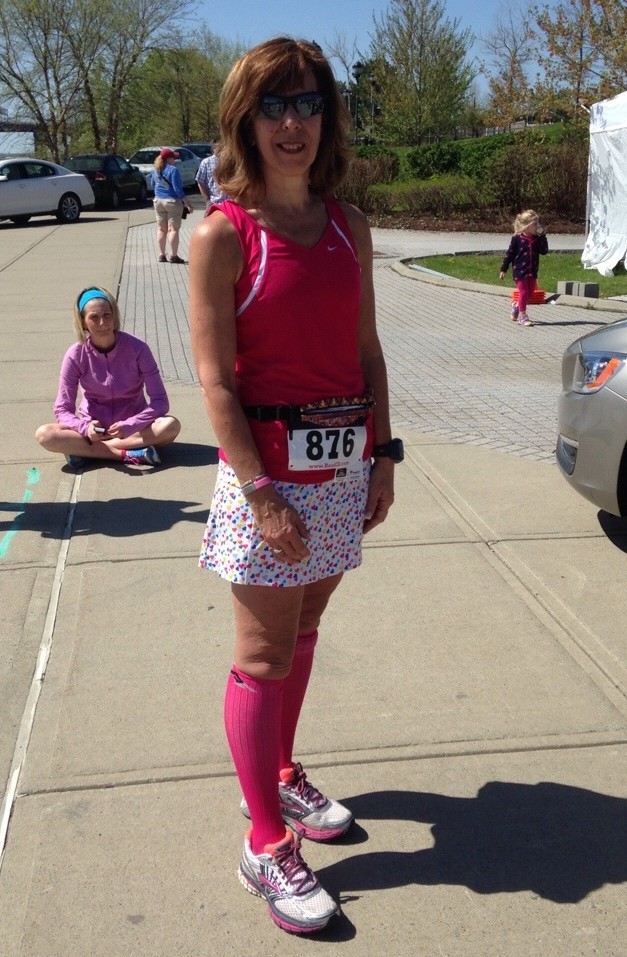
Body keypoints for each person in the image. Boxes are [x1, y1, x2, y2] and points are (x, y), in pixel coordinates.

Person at [189, 37, 401, 935]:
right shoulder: (221, 234)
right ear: (245, 120)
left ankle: (278, 773)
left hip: (340, 469)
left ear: (327, 117)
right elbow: (214, 381)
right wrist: (261, 492)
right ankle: (264, 841)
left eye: (307, 103)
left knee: (304, 630)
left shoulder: (348, 225)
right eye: (272, 106)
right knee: (262, 654)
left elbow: (366, 352)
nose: (291, 123)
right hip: (266, 478)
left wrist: (382, 455)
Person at [35, 286, 181, 468]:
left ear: (114, 316)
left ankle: (88, 452)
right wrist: (85, 428)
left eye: (107, 315)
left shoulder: (138, 348)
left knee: (170, 426)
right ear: (83, 322)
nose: (103, 323)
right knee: (45, 435)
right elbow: (62, 409)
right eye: (94, 317)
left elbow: (160, 402)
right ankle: (128, 454)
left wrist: (131, 424)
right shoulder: (75, 354)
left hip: (133, 430)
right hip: (93, 431)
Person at [499, 209, 549, 327]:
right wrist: (503, 269)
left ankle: (516, 306)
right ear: (526, 226)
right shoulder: (517, 239)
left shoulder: (537, 239)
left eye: (538, 223)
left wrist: (543, 237)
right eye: (535, 224)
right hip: (520, 271)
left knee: (530, 294)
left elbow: (544, 251)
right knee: (524, 292)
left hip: (532, 270)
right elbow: (509, 254)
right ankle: (523, 316)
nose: (537, 226)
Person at [151, 148, 193, 264]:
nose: (175, 159)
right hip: (172, 201)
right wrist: (187, 203)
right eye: (173, 157)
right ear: (168, 158)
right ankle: (174, 256)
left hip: (158, 201)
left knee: (161, 229)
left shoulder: (156, 170)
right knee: (173, 229)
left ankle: (162, 255)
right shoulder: (173, 170)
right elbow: (177, 188)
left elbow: (153, 184)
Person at [195, 143, 225, 209]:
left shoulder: (229, 162)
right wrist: (207, 200)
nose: (221, 149)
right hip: (213, 201)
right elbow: (200, 182)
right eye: (218, 147)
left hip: (227, 202)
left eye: (222, 147)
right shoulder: (206, 162)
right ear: (213, 149)